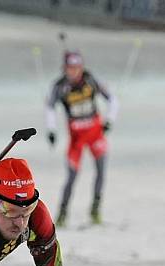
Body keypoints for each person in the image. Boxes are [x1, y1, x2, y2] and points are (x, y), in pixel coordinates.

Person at [45, 50, 118, 227]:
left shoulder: (91, 80)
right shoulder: (60, 86)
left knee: (101, 171)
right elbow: (50, 107)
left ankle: (95, 210)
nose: (74, 72)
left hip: (95, 134)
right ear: (65, 68)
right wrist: (51, 130)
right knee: (72, 176)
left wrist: (109, 121)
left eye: (77, 68)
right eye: (70, 68)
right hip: (76, 138)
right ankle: (62, 213)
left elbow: (113, 99)